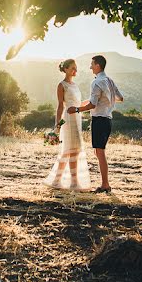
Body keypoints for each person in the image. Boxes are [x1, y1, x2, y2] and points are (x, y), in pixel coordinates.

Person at [67, 55, 123, 193]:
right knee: (99, 152)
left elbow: (93, 104)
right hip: (108, 120)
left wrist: (77, 109)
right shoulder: (109, 80)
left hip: (99, 120)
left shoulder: (97, 82)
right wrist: (106, 101)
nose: (90, 67)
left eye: (92, 64)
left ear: (98, 65)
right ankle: (105, 184)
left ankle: (105, 185)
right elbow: (120, 98)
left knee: (100, 153)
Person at [43, 58, 92, 191]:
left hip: (77, 117)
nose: (75, 70)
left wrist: (93, 101)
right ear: (65, 69)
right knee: (73, 149)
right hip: (68, 119)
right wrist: (57, 125)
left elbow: (78, 103)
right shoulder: (61, 85)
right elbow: (60, 106)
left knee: (68, 150)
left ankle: (56, 180)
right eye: (72, 68)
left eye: (76, 68)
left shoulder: (75, 85)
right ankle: (74, 182)